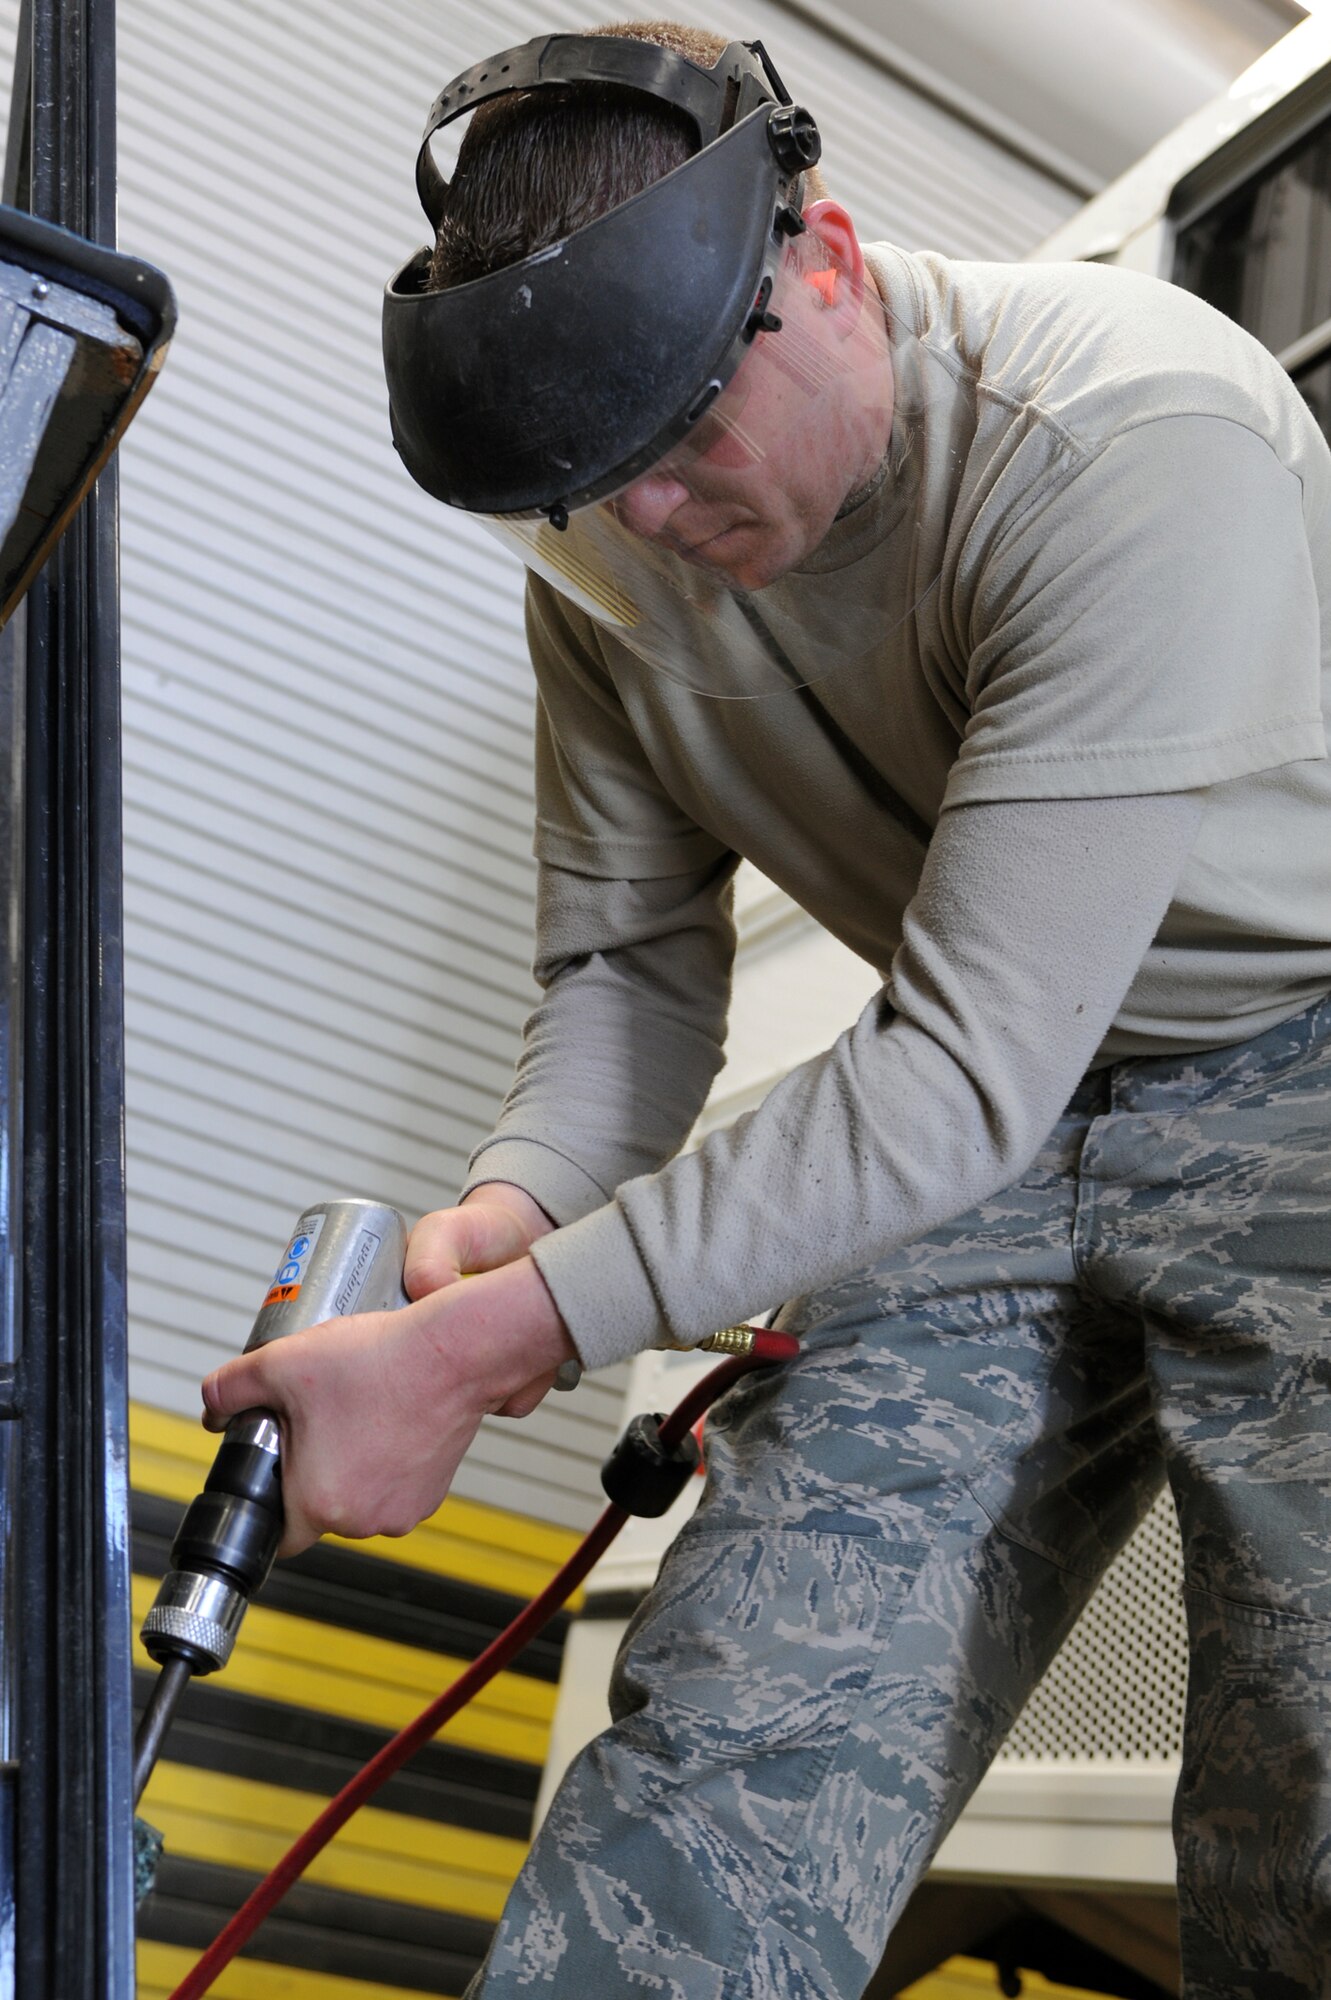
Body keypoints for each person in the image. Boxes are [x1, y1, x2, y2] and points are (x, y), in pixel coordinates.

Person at [203, 20, 1331, 1997]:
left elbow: (971, 1059)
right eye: (584, 486)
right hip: (997, 1111)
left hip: (1294, 1054)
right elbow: (627, 973)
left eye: (676, 434)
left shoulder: (1140, 435)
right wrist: (513, 1220)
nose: (645, 528)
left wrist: (487, 1352)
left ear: (820, 259)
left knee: (1308, 1786)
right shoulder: (605, 574)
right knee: (730, 1738)